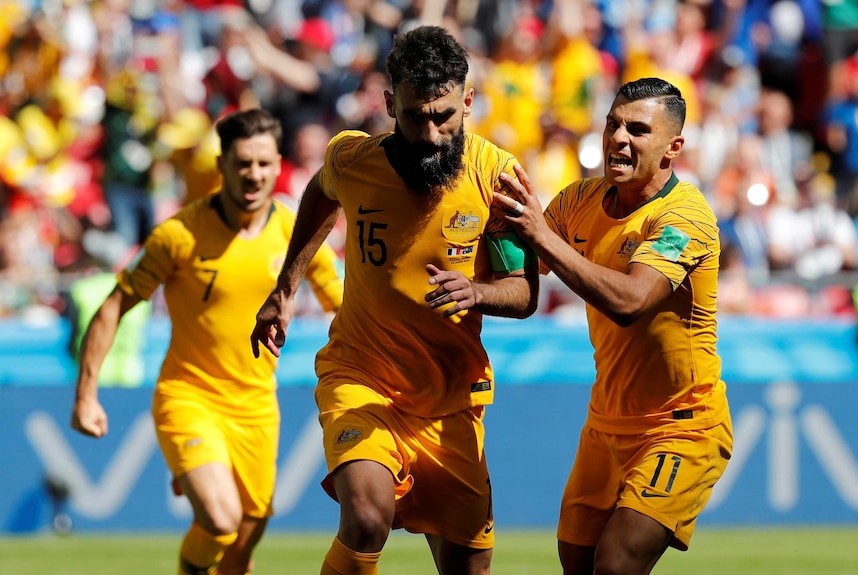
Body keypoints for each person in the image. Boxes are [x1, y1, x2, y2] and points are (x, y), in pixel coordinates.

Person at [250, 25, 539, 575]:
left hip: (450, 400)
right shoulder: (352, 160)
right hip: (362, 378)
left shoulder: (498, 180)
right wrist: (286, 287)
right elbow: (319, 194)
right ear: (388, 105)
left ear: (468, 102)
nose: (430, 134)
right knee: (365, 516)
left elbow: (525, 292)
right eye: (414, 117)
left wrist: (477, 291)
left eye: (444, 117)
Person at [70, 108, 344, 575]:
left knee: (242, 549)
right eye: (241, 163)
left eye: (262, 163)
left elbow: (345, 304)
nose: (252, 175)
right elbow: (115, 304)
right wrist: (86, 394)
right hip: (189, 396)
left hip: (258, 405)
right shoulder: (179, 235)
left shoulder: (294, 233)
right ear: (221, 166)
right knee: (220, 520)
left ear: (278, 165)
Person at [494, 77, 733, 574]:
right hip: (605, 423)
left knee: (617, 563)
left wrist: (541, 235)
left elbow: (632, 300)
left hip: (680, 426)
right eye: (612, 125)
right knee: (576, 562)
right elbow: (518, 280)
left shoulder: (685, 218)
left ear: (673, 147)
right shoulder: (578, 200)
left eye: (638, 130)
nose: (618, 139)